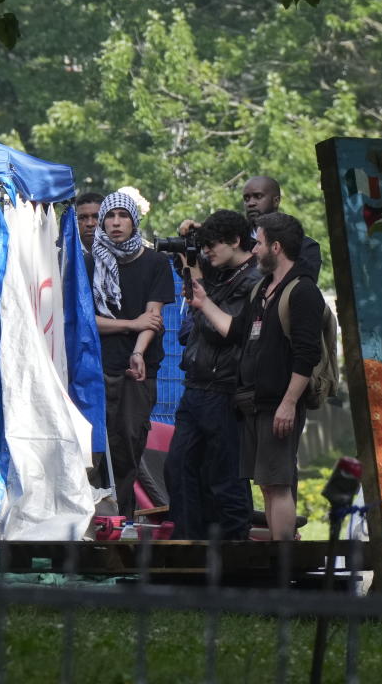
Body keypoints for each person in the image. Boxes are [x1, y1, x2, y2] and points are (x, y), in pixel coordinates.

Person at [189, 212, 323, 541]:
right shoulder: (262, 288)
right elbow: (236, 330)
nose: (255, 248)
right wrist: (204, 303)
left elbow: (307, 355)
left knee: (278, 485)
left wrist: (289, 403)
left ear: (276, 247)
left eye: (259, 243)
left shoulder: (302, 290)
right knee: (266, 483)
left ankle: (284, 566)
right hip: (254, 402)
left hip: (279, 403)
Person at [165, 210, 261, 540]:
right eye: (203, 247)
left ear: (235, 241)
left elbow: (229, 330)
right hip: (196, 385)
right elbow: (196, 277)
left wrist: (202, 299)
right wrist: (192, 242)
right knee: (178, 468)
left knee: (225, 478)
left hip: (225, 389)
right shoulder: (221, 271)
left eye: (211, 245)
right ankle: (189, 550)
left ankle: (234, 558)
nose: (206, 253)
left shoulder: (253, 279)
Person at [90, 191, 175, 518]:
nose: (115, 223)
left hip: (137, 371)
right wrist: (130, 323)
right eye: (109, 217)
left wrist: (138, 351)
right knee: (96, 450)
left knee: (128, 446)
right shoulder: (90, 261)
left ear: (134, 220)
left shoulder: (154, 263)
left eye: (122, 216)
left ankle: (120, 519)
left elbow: (152, 319)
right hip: (96, 368)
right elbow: (88, 322)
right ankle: (94, 519)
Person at [241, 176, 322, 277]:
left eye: (258, 196)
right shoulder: (235, 244)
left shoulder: (305, 246)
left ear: (276, 201)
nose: (251, 203)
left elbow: (302, 284)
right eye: (246, 199)